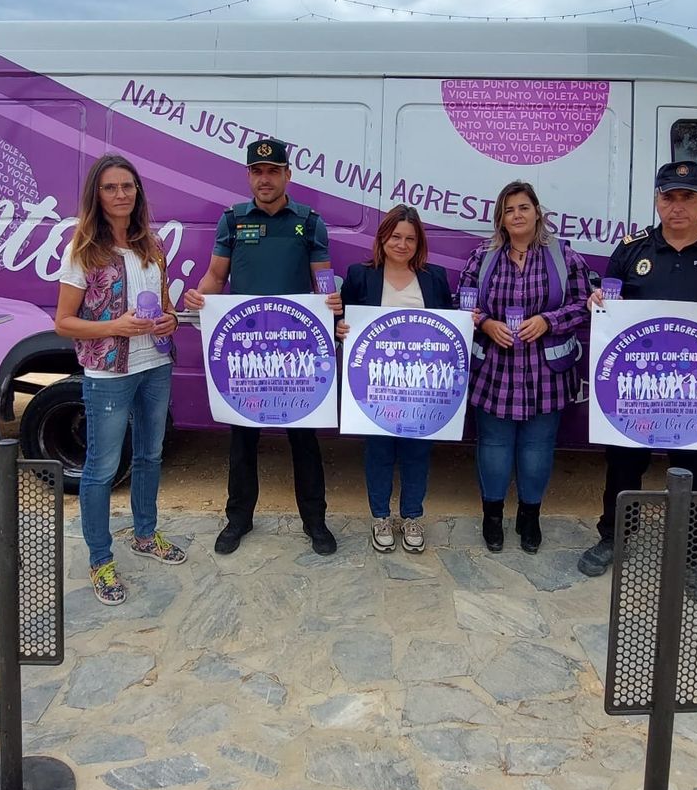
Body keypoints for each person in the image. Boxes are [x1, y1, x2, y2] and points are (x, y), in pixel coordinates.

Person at [577, 160, 697, 605]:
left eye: (688, 197)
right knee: (624, 465)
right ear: (657, 200)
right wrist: (599, 303)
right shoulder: (631, 250)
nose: (677, 206)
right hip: (638, 389)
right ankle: (614, 537)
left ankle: (691, 555)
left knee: (696, 472)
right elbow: (610, 304)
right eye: (669, 197)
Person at [182, 138, 345, 556]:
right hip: (247, 350)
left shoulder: (309, 222)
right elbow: (215, 279)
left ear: (287, 174)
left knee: (304, 439)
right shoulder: (233, 222)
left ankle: (315, 522)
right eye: (257, 171)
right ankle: (238, 520)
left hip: (296, 351)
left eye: (273, 171)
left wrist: (332, 305)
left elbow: (322, 283)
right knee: (242, 439)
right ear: (249, 176)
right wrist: (198, 298)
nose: (265, 179)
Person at [54, 154, 185, 606]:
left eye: (127, 186)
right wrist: (115, 327)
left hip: (155, 364)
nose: (121, 195)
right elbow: (64, 322)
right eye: (111, 187)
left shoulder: (152, 245)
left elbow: (165, 306)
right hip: (108, 373)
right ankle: (99, 557)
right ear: (97, 194)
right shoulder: (83, 251)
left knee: (150, 454)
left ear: (137, 192)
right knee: (102, 469)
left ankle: (145, 534)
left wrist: (169, 320)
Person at [459, 180, 594, 554]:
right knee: (495, 446)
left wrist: (549, 321)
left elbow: (586, 303)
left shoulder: (564, 257)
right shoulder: (482, 257)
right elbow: (463, 303)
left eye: (523, 208)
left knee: (537, 449)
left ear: (537, 212)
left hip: (545, 372)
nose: (516, 215)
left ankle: (530, 516)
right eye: (508, 209)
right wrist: (485, 323)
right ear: (500, 218)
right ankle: (492, 516)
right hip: (495, 369)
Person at [336, 204, 456, 555]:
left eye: (410, 238)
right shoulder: (360, 275)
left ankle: (413, 516)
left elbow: (447, 327)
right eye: (395, 236)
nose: (401, 244)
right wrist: (340, 328)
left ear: (419, 243)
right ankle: (380, 517)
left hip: (422, 387)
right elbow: (341, 318)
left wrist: (467, 322)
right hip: (375, 385)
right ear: (382, 238)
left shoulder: (434, 277)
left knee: (418, 451)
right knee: (379, 453)